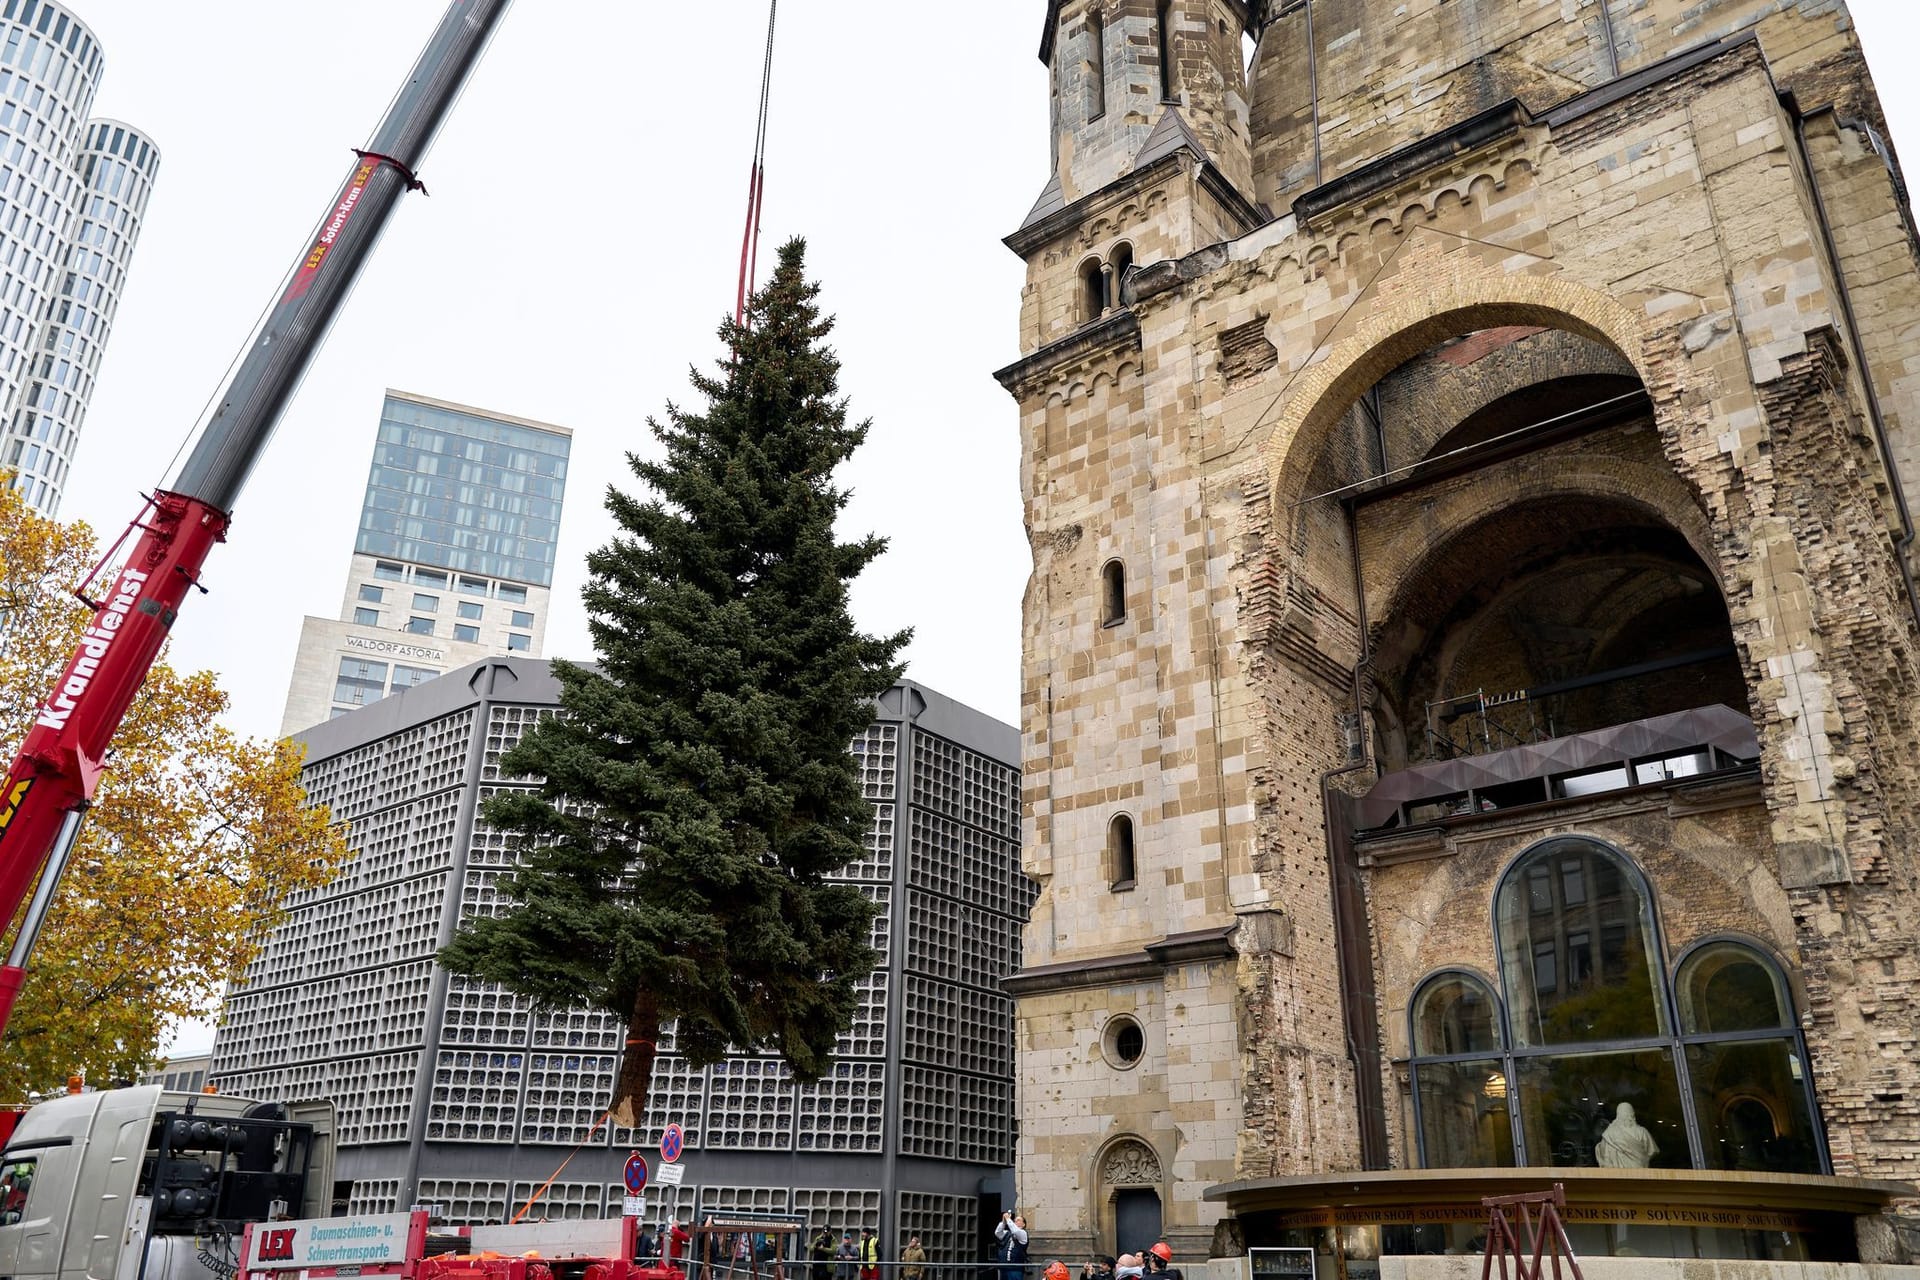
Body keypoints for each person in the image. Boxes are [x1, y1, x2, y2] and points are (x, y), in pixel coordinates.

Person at [1595, 1102, 1658, 1168]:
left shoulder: (1609, 1134)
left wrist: (1598, 1147)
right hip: (1638, 1173)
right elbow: (1652, 1151)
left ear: (1618, 1115)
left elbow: (1603, 1154)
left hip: (1623, 1175)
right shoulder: (1643, 1132)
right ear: (1633, 1114)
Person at [994, 1211, 1029, 1280]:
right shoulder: (1007, 1233)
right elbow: (998, 1233)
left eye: (1018, 1220)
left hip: (1015, 1269)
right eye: (1014, 1221)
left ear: (1023, 1224)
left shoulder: (1023, 1233)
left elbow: (1016, 1231)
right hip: (1003, 1268)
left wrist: (1008, 1219)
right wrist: (1004, 1222)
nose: (1015, 1222)